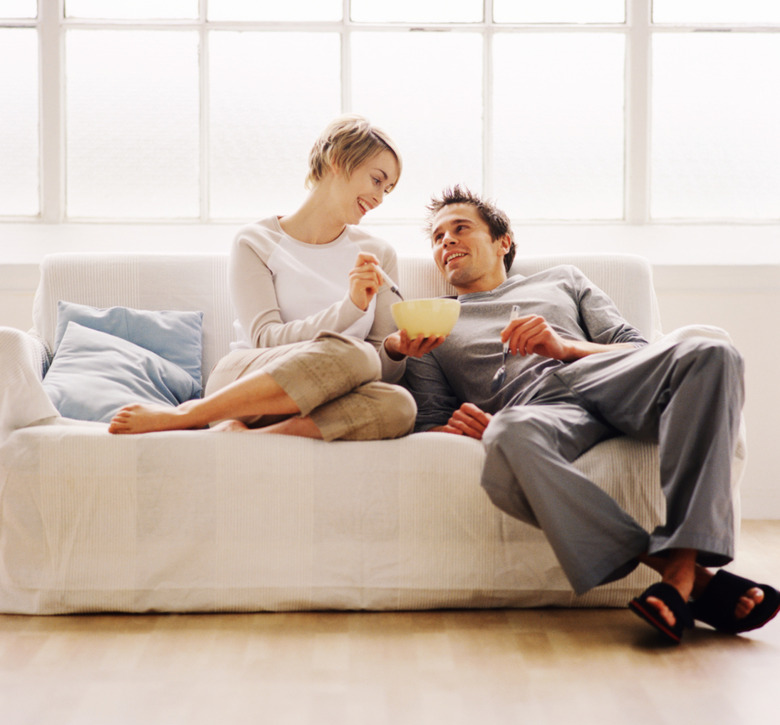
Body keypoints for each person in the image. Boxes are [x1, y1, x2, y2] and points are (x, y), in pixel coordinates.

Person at [402, 184, 780, 644]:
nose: (446, 243)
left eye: (460, 228)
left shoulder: (563, 279)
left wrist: (564, 347)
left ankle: (683, 571)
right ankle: (684, 575)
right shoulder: (428, 323)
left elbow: (640, 352)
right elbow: (431, 420)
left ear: (503, 241)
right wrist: (472, 426)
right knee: (508, 435)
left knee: (711, 351)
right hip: (537, 409)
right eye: (438, 238)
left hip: (606, 378)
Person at [109, 115, 442, 441]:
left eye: (389, 189)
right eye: (376, 180)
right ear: (338, 160)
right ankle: (188, 415)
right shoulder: (256, 241)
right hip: (247, 379)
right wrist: (350, 308)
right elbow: (265, 340)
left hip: (326, 395)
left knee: (399, 405)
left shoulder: (379, 254)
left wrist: (395, 350)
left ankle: (252, 438)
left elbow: (379, 371)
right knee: (355, 354)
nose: (380, 198)